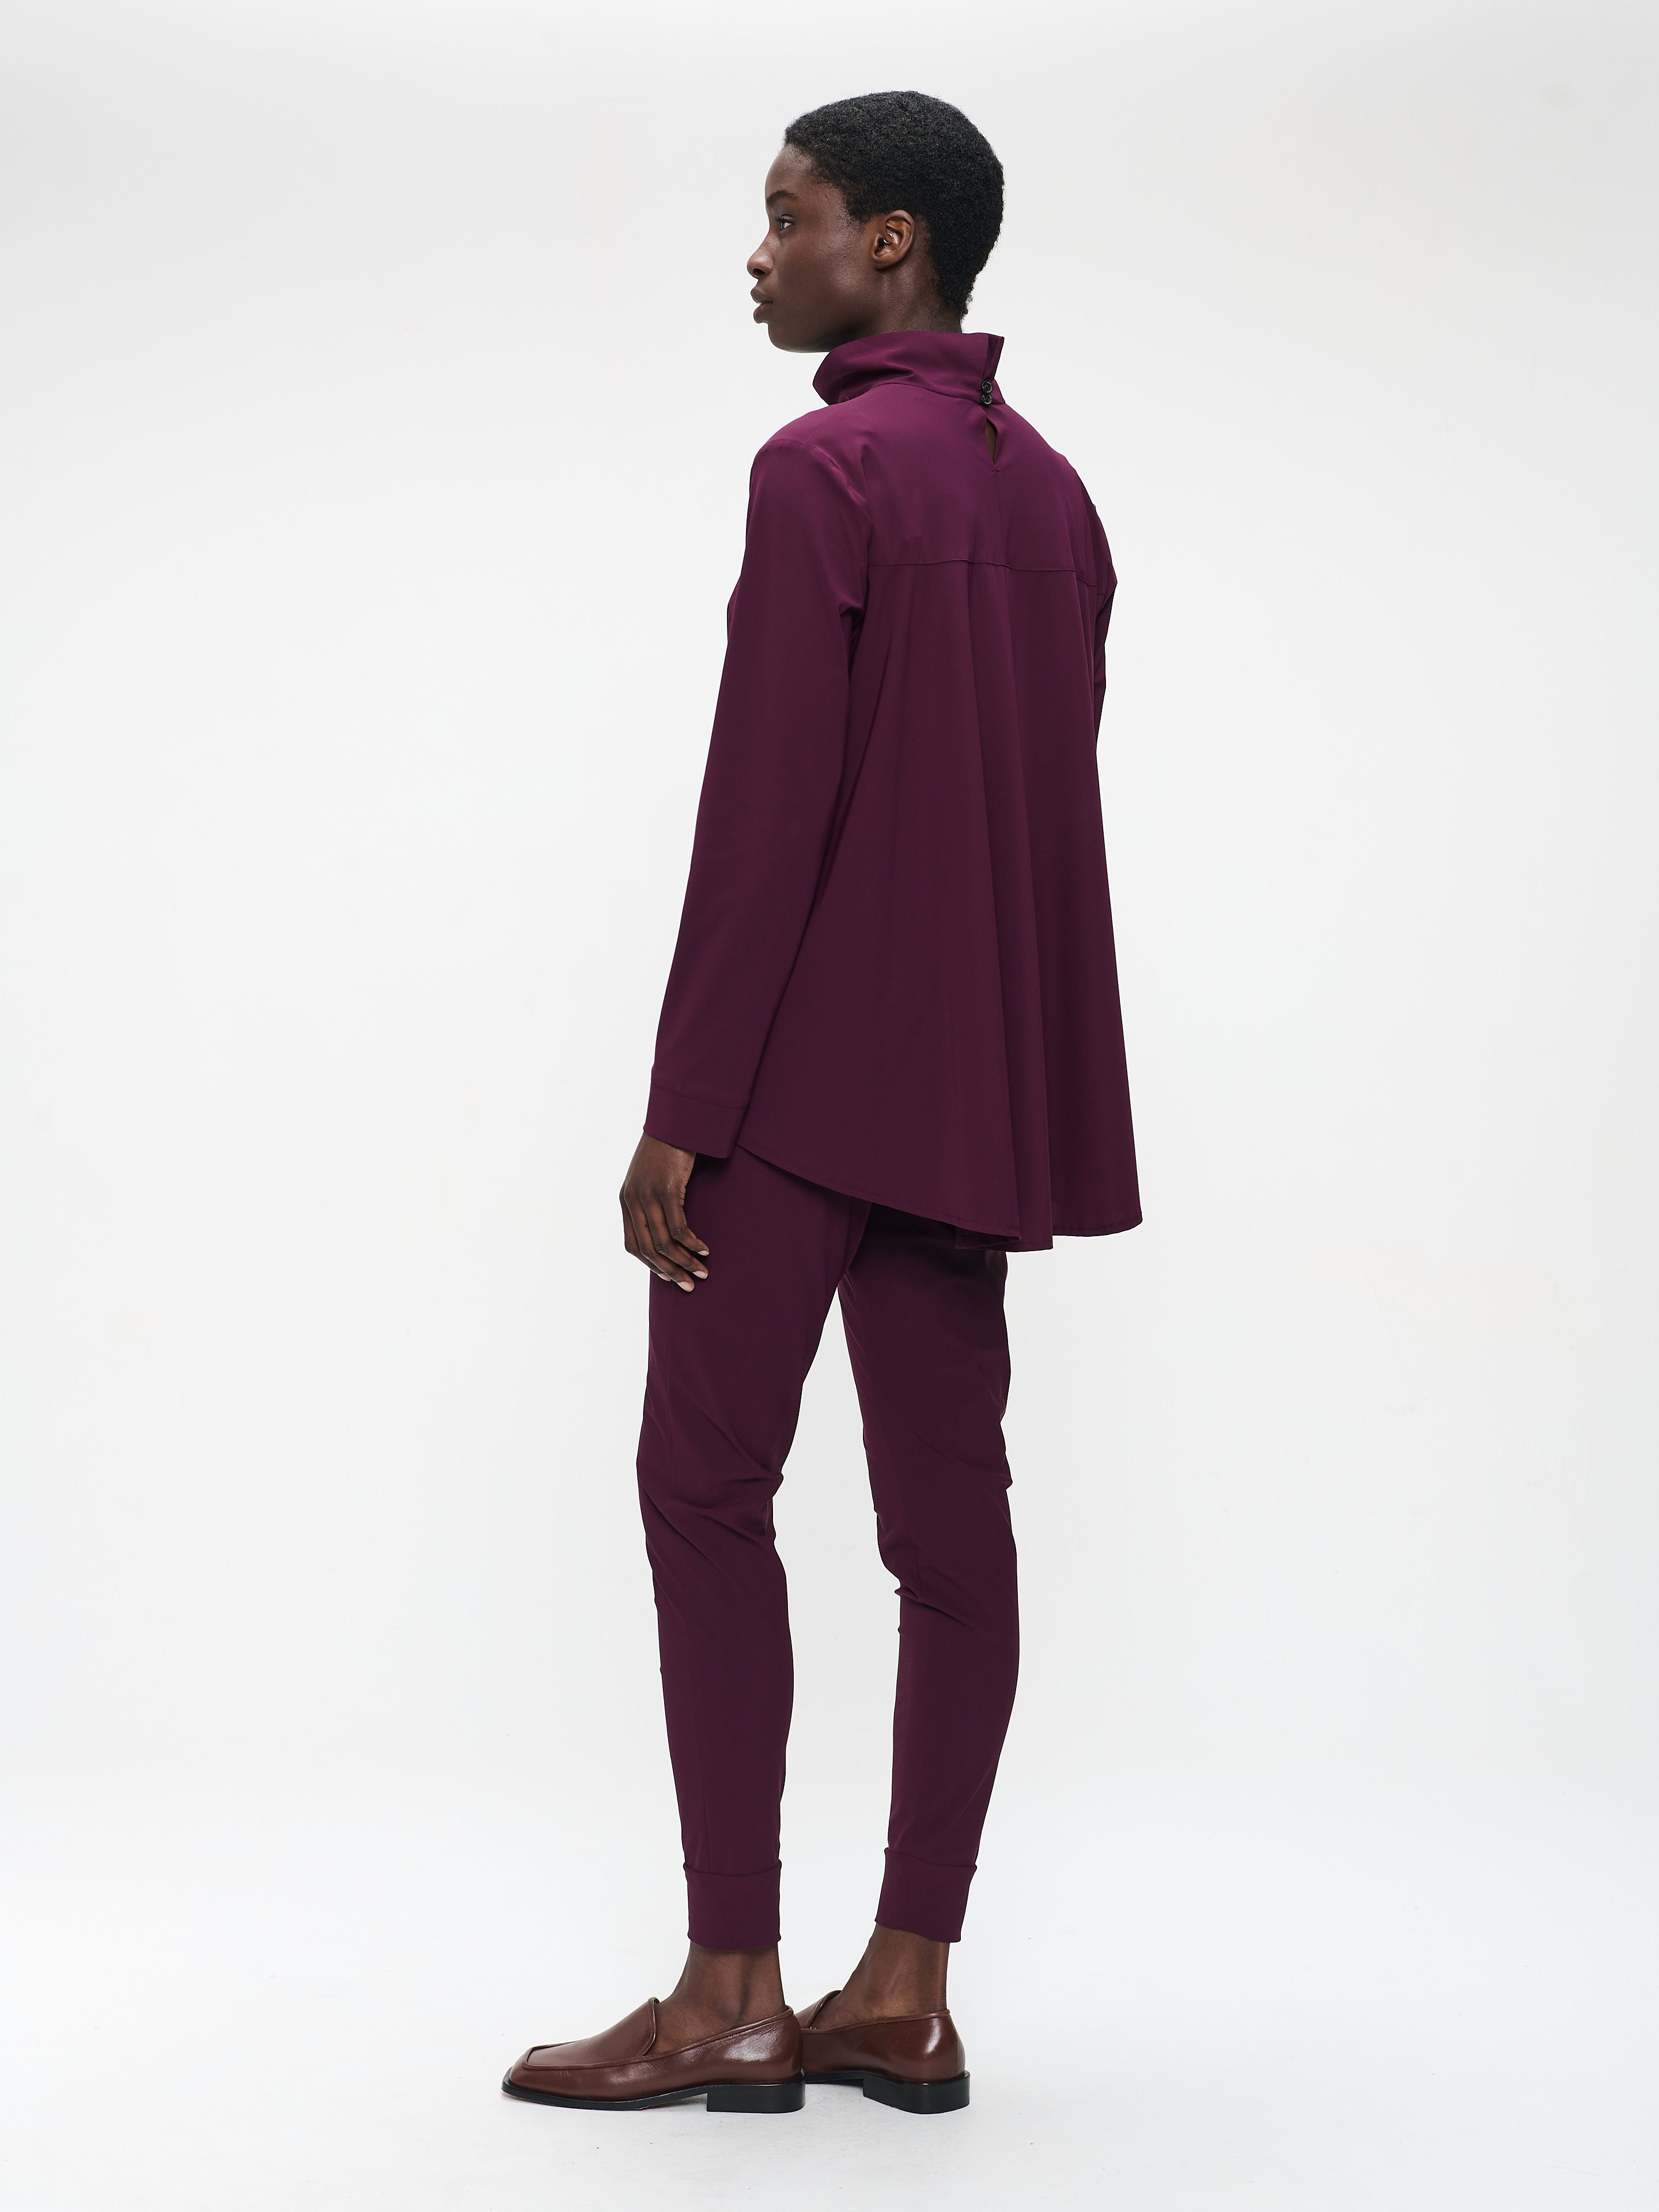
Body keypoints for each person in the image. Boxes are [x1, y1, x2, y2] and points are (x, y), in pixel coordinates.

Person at [503, 88, 1139, 2118]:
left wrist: (683, 1107)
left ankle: (731, 1987)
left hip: (794, 1096)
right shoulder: (1061, 505)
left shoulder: (821, 468)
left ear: (895, 242)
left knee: (705, 1494)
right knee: (955, 1530)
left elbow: (767, 811)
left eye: (790, 216)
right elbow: (1036, 820)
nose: (761, 254)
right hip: (975, 1103)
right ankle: (908, 1987)